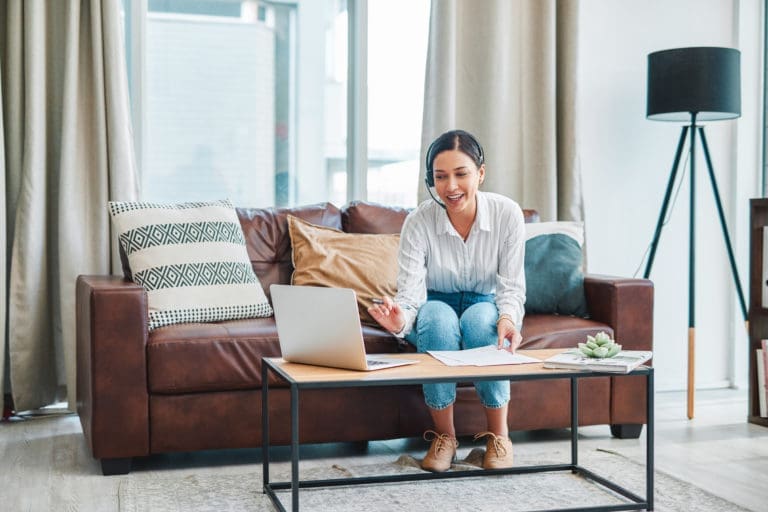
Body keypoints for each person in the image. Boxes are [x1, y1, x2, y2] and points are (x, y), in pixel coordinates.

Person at [368, 129, 526, 473]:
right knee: (438, 320)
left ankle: (499, 436)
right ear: (430, 180)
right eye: (440, 177)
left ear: (480, 173)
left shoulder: (507, 214)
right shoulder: (419, 221)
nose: (451, 187)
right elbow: (411, 296)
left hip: (485, 301)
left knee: (481, 322)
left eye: (461, 174)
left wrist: (508, 319)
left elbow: (511, 287)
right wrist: (400, 321)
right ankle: (445, 437)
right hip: (435, 301)